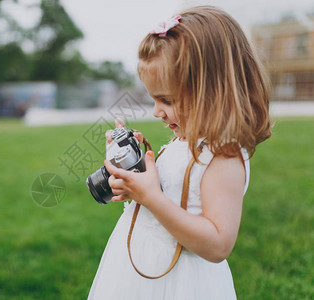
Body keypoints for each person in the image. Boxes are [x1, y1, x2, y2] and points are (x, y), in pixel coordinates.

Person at [88, 6, 271, 300]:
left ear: (213, 90)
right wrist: (135, 179)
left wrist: (151, 197)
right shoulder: (181, 143)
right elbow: (170, 195)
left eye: (166, 100)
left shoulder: (223, 155)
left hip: (182, 283)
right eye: (153, 98)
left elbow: (218, 245)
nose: (156, 111)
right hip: (137, 271)